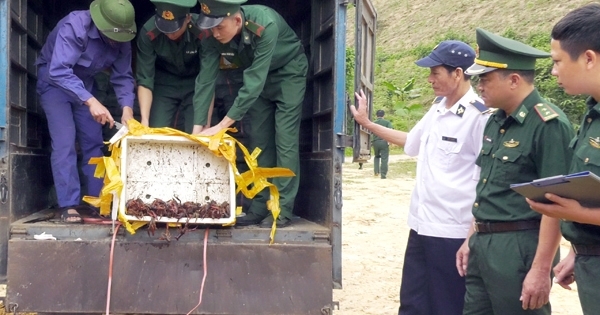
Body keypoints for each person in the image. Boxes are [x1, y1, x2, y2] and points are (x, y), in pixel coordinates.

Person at [352, 40, 490, 315]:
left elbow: (487, 180)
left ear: (458, 74)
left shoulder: (479, 116)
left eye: (435, 73)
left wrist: (471, 236)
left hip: (453, 233)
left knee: (446, 306)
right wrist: (367, 124)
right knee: (413, 304)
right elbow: (411, 143)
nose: (429, 79)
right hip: (421, 227)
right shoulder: (438, 108)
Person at [455, 28, 575, 315]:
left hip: (519, 248)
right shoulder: (495, 121)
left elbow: (554, 204)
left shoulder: (548, 124)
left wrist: (540, 269)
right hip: (484, 244)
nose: (479, 86)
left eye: (485, 79)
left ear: (514, 80)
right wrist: (471, 237)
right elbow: (487, 187)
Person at [192, 0, 308, 228]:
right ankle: (259, 206)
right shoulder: (212, 36)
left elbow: (254, 80)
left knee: (284, 139)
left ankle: (281, 210)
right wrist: (198, 129)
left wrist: (222, 125)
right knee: (258, 141)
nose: (214, 33)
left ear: (237, 20)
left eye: (219, 27)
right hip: (255, 81)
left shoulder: (265, 23)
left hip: (287, 73)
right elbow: (205, 81)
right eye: (211, 27)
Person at [526, 4, 600, 315]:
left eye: (557, 61)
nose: (553, 71)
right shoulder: (592, 113)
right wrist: (581, 249)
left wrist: (580, 215)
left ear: (588, 58)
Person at [35, 0, 136, 223]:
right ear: (100, 25)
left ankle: (96, 201)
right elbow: (59, 71)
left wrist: (127, 111)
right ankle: (68, 204)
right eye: (111, 37)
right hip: (54, 83)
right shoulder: (74, 26)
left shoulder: (122, 37)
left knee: (93, 141)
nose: (115, 42)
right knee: (65, 141)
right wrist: (91, 102)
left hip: (85, 84)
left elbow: (123, 76)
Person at [136, 0, 209, 133]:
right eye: (164, 28)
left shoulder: (202, 31)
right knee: (155, 132)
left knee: (196, 134)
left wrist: (205, 123)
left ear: (188, 18)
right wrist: (144, 120)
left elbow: (207, 79)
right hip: (164, 83)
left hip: (195, 85)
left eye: (174, 29)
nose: (169, 34)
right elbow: (145, 79)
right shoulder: (149, 32)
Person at [372, 109, 392, 179]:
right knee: (384, 158)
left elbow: (371, 132)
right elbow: (390, 131)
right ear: (384, 115)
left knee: (376, 156)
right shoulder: (387, 122)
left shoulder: (373, 123)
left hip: (375, 142)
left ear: (376, 115)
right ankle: (383, 175)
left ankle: (376, 171)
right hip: (384, 142)